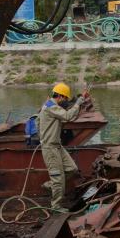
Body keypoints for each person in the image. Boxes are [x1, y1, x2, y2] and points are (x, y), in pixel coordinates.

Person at [36, 82, 90, 211]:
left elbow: (64, 113)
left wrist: (78, 100)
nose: (65, 101)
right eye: (65, 98)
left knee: (72, 169)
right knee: (58, 179)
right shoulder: (50, 107)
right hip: (50, 148)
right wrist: (78, 103)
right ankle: (56, 206)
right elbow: (68, 116)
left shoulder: (52, 105)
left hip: (57, 146)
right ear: (60, 96)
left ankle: (51, 185)